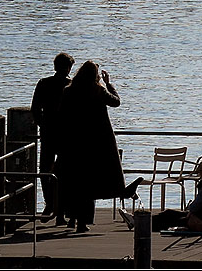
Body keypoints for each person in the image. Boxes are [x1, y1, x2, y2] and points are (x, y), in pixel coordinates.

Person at [54, 61, 142, 233]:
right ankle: (82, 222)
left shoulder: (68, 91)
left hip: (73, 144)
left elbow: (62, 117)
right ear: (96, 75)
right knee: (89, 183)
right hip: (95, 144)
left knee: (74, 181)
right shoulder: (97, 90)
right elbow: (116, 102)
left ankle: (71, 218)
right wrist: (109, 84)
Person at [30, 52, 74, 223]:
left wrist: (43, 124)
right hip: (67, 136)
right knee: (64, 175)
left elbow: (35, 109)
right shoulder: (71, 86)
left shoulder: (44, 83)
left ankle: (50, 204)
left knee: (45, 171)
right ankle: (60, 213)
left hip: (48, 134)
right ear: (69, 68)